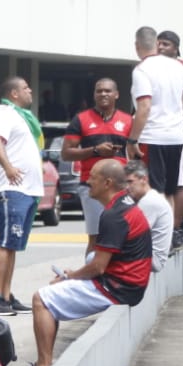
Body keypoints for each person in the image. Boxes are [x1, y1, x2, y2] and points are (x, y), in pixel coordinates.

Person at [8, 159, 150, 366]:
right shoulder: (125, 204)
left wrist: (70, 277)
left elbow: (98, 268)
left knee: (41, 299)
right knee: (81, 266)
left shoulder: (113, 215)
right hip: (129, 281)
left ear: (107, 182)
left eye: (92, 176)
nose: (87, 180)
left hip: (118, 288)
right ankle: (42, 363)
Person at [0, 76, 44, 316]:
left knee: (13, 245)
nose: (30, 90)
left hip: (27, 190)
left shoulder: (21, 116)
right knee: (5, 243)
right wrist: (8, 167)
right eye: (25, 88)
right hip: (11, 189)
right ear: (14, 94)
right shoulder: (3, 113)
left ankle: (7, 295)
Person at [60, 78, 132, 254]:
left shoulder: (128, 120)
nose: (103, 94)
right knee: (96, 237)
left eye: (107, 91)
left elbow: (136, 154)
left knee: (123, 236)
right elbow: (66, 153)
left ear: (116, 94)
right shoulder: (81, 119)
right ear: (94, 95)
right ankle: (92, 280)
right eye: (99, 91)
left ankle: (116, 278)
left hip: (121, 189)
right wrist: (95, 151)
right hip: (92, 187)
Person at [126, 26, 183, 240]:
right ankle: (169, 234)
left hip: (153, 136)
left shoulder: (142, 69)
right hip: (177, 135)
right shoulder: (178, 66)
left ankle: (156, 236)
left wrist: (132, 140)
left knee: (153, 190)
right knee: (169, 190)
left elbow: (144, 108)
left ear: (137, 45)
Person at [125, 160, 172, 272]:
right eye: (125, 183)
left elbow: (129, 233)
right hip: (146, 254)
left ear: (144, 179)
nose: (127, 187)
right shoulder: (147, 198)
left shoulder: (149, 201)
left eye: (130, 182)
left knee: (95, 257)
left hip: (152, 259)